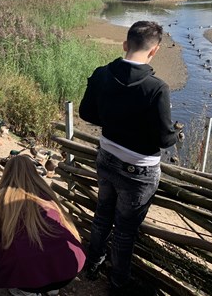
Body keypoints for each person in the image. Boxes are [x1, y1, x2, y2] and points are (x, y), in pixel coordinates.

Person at [79, 21, 178, 294]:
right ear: (155, 51)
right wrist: (174, 134)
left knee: (102, 214)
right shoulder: (157, 87)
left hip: (106, 156)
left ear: (125, 45)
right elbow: (164, 139)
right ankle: (118, 282)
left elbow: (86, 114)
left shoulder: (102, 74)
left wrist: (113, 121)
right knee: (124, 230)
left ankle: (92, 264)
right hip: (139, 171)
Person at [0, 155, 85, 296]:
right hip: (70, 269)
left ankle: (25, 289)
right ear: (33, 171)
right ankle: (52, 287)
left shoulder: (1, 195)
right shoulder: (47, 193)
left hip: (31, 274)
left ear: (7, 173)